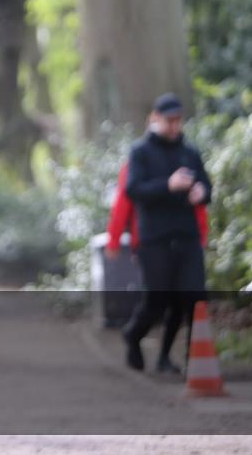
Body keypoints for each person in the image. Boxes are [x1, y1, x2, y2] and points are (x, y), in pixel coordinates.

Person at [119, 93, 211, 374]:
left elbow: (207, 186)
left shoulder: (190, 152)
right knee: (158, 300)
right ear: (155, 119)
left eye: (178, 120)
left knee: (193, 299)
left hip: (187, 236)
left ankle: (192, 361)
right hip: (154, 239)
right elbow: (133, 189)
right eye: (169, 120)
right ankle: (133, 335)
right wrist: (168, 185)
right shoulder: (141, 152)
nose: (174, 126)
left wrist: (202, 192)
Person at [106, 159, 209, 373]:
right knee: (156, 299)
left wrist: (201, 235)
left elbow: (195, 202)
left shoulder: (183, 160)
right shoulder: (138, 162)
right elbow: (123, 202)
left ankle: (164, 357)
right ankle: (134, 335)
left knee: (181, 300)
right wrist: (114, 239)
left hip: (182, 244)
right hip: (149, 244)